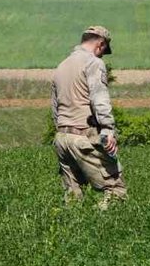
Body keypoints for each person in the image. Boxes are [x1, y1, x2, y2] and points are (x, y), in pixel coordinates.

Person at [50, 25, 127, 209]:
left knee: (73, 197)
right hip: (83, 137)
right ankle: (106, 231)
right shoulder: (93, 63)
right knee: (115, 189)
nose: (102, 56)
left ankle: (70, 232)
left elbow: (55, 107)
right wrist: (108, 130)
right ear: (100, 44)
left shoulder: (61, 66)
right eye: (103, 51)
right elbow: (99, 98)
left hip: (62, 138)